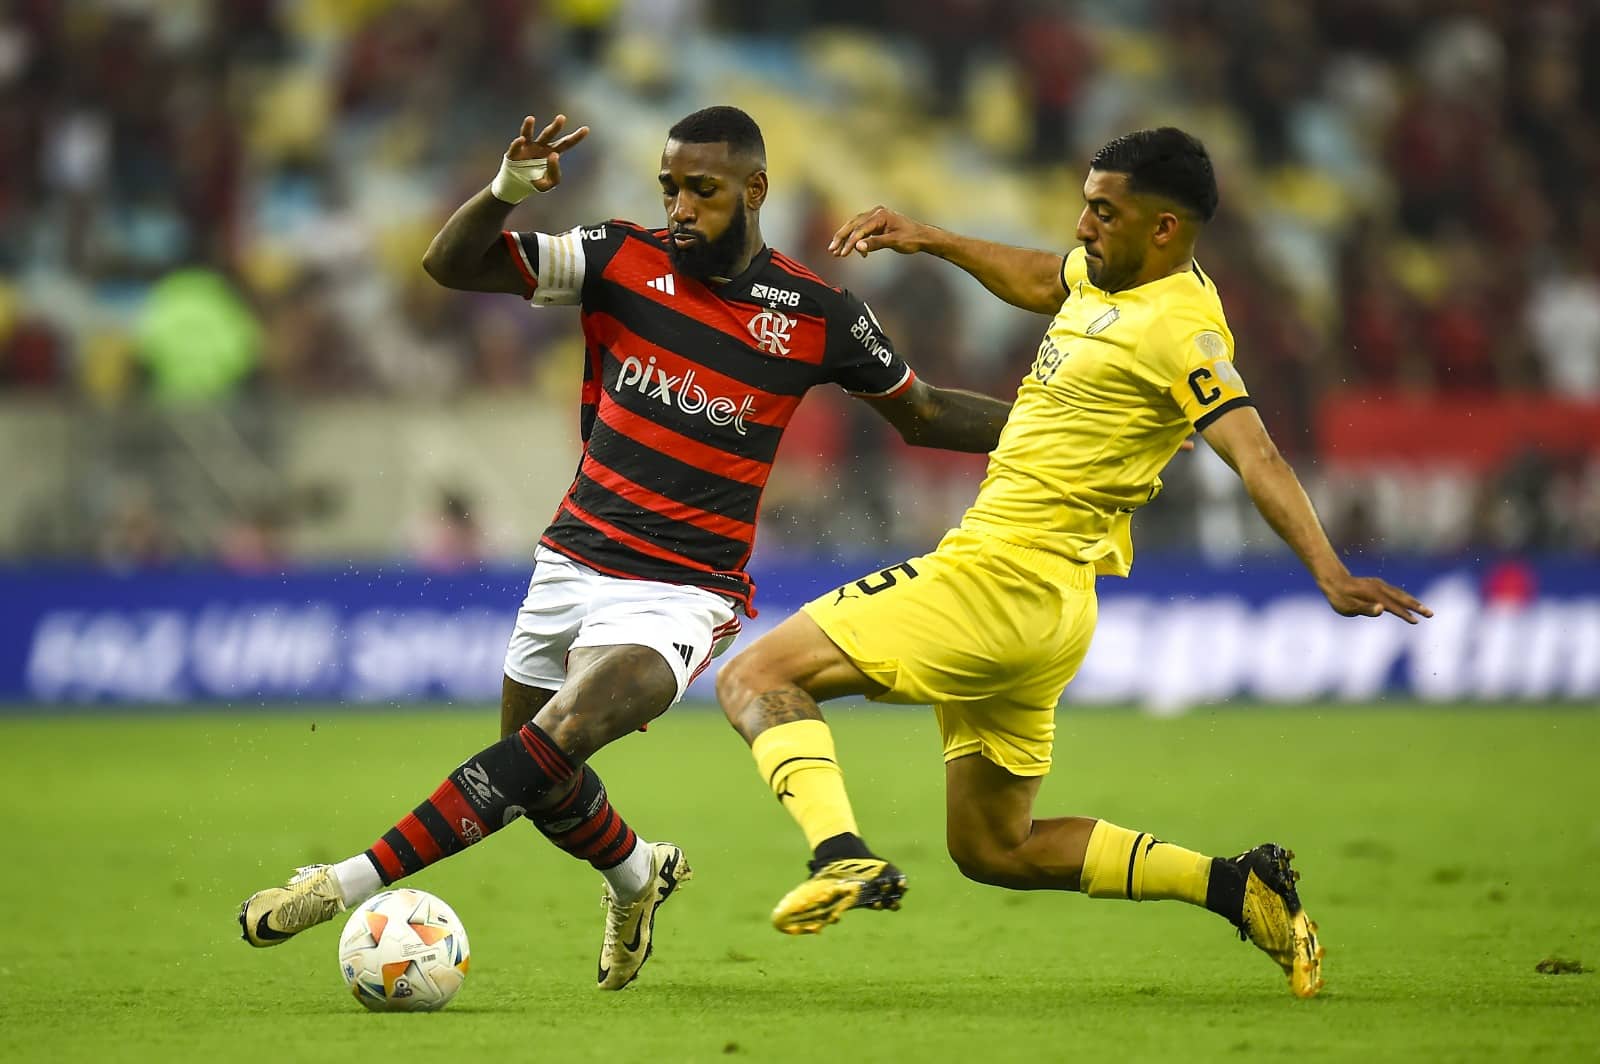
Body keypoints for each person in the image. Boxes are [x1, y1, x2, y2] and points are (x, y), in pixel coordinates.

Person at [236, 106, 1011, 991]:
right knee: (534, 782)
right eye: (670, 188)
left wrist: (1056, 426)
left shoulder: (815, 313)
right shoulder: (616, 257)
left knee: (550, 742)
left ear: (755, 190)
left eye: (703, 190)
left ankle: (338, 884)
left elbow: (925, 412)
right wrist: (506, 190)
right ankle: (638, 878)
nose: (680, 207)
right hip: (570, 560)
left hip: (682, 591)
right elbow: (448, 266)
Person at [714, 128, 1434, 999]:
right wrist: (932, 237)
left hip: (997, 580)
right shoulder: (1108, 276)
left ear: (1165, 228)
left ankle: (842, 856)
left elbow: (1257, 453)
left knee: (756, 676)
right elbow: (1038, 278)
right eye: (1086, 203)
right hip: (1050, 608)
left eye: (1104, 210)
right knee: (994, 849)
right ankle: (1237, 886)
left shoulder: (1181, 331)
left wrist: (1327, 568)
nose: (1084, 225)